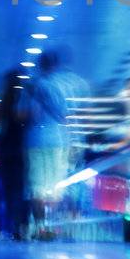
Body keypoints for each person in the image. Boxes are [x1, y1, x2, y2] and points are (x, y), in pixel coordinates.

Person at [25, 49, 74, 239]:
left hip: (36, 140)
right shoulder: (61, 86)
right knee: (55, 186)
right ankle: (50, 225)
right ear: (56, 65)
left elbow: (28, 114)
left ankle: (40, 226)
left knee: (36, 185)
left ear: (40, 65)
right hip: (57, 141)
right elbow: (65, 116)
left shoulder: (32, 86)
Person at [0, 68, 31, 239]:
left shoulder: (3, 99)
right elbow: (28, 119)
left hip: (6, 148)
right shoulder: (24, 98)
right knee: (21, 189)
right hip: (21, 148)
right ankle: (23, 225)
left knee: (9, 190)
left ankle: (13, 226)